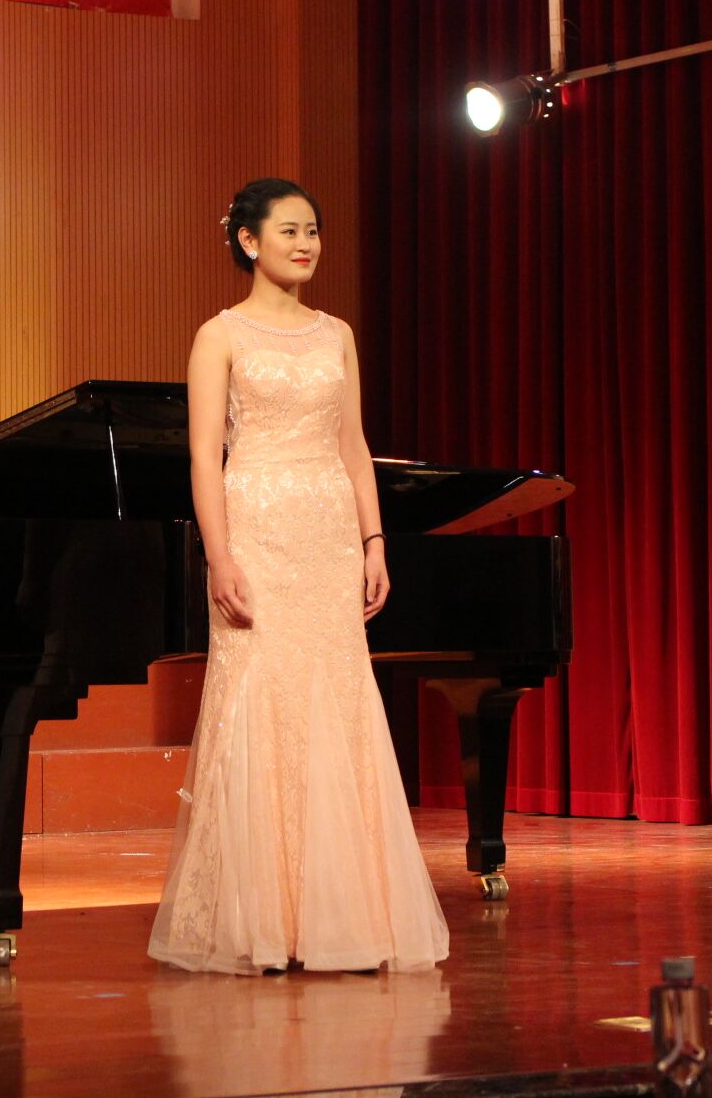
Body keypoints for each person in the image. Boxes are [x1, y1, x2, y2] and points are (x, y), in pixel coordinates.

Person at [148, 179, 449, 976]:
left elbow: (354, 445)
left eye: (313, 230)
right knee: (260, 703)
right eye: (289, 230)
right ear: (249, 241)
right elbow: (203, 457)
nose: (306, 244)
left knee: (336, 703)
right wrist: (219, 554)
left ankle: (345, 917)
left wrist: (374, 541)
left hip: (327, 536)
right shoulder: (219, 336)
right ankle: (265, 920)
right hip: (255, 532)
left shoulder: (336, 334)